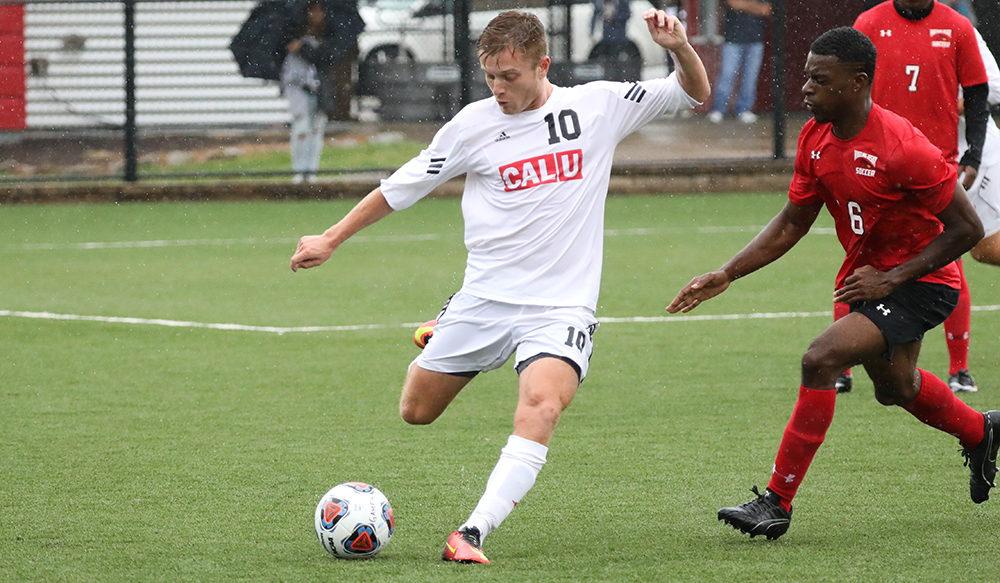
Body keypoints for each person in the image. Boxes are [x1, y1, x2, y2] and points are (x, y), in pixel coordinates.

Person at [290, 9, 710, 562]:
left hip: (560, 306)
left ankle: (472, 532)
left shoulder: (598, 106)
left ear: (543, 65)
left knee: (541, 406)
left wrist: (679, 45)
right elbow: (402, 187)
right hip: (485, 299)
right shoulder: (473, 125)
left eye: (509, 76)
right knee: (416, 411)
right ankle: (447, 319)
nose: (498, 88)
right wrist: (332, 237)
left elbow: (693, 92)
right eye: (490, 76)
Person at [667, 27, 997, 540]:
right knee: (897, 389)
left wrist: (892, 278)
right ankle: (982, 432)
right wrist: (727, 273)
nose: (805, 89)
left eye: (819, 80)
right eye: (805, 78)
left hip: (924, 279)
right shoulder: (815, 137)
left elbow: (967, 229)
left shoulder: (904, 146)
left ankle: (776, 501)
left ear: (857, 83)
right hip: (867, 281)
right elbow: (793, 222)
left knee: (820, 359)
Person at [848, 0, 991, 394]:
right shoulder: (869, 22)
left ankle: (959, 369)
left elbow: (976, 94)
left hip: (936, 164)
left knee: (950, 257)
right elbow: (847, 83)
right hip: (876, 163)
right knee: (862, 253)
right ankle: (843, 364)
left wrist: (973, 152)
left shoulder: (957, 26)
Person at [961, 28, 1000, 269]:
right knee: (934, 257)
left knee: (986, 249)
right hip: (918, 160)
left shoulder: (957, 28)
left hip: (976, 159)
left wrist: (940, 104)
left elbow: (995, 87)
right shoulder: (877, 24)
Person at [281, 1, 329, 184]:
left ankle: (311, 171)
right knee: (301, 128)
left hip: (320, 88)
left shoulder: (329, 34)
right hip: (298, 89)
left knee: (316, 130)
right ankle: (299, 171)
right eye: (312, 11)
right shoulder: (291, 33)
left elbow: (323, 57)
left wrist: (303, 48)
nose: (315, 15)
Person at [706, 0, 771, 124]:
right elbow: (734, 4)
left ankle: (744, 109)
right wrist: (754, 7)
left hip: (755, 40)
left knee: (750, 77)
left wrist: (744, 5)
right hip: (733, 40)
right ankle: (719, 109)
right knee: (727, 75)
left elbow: (767, 10)